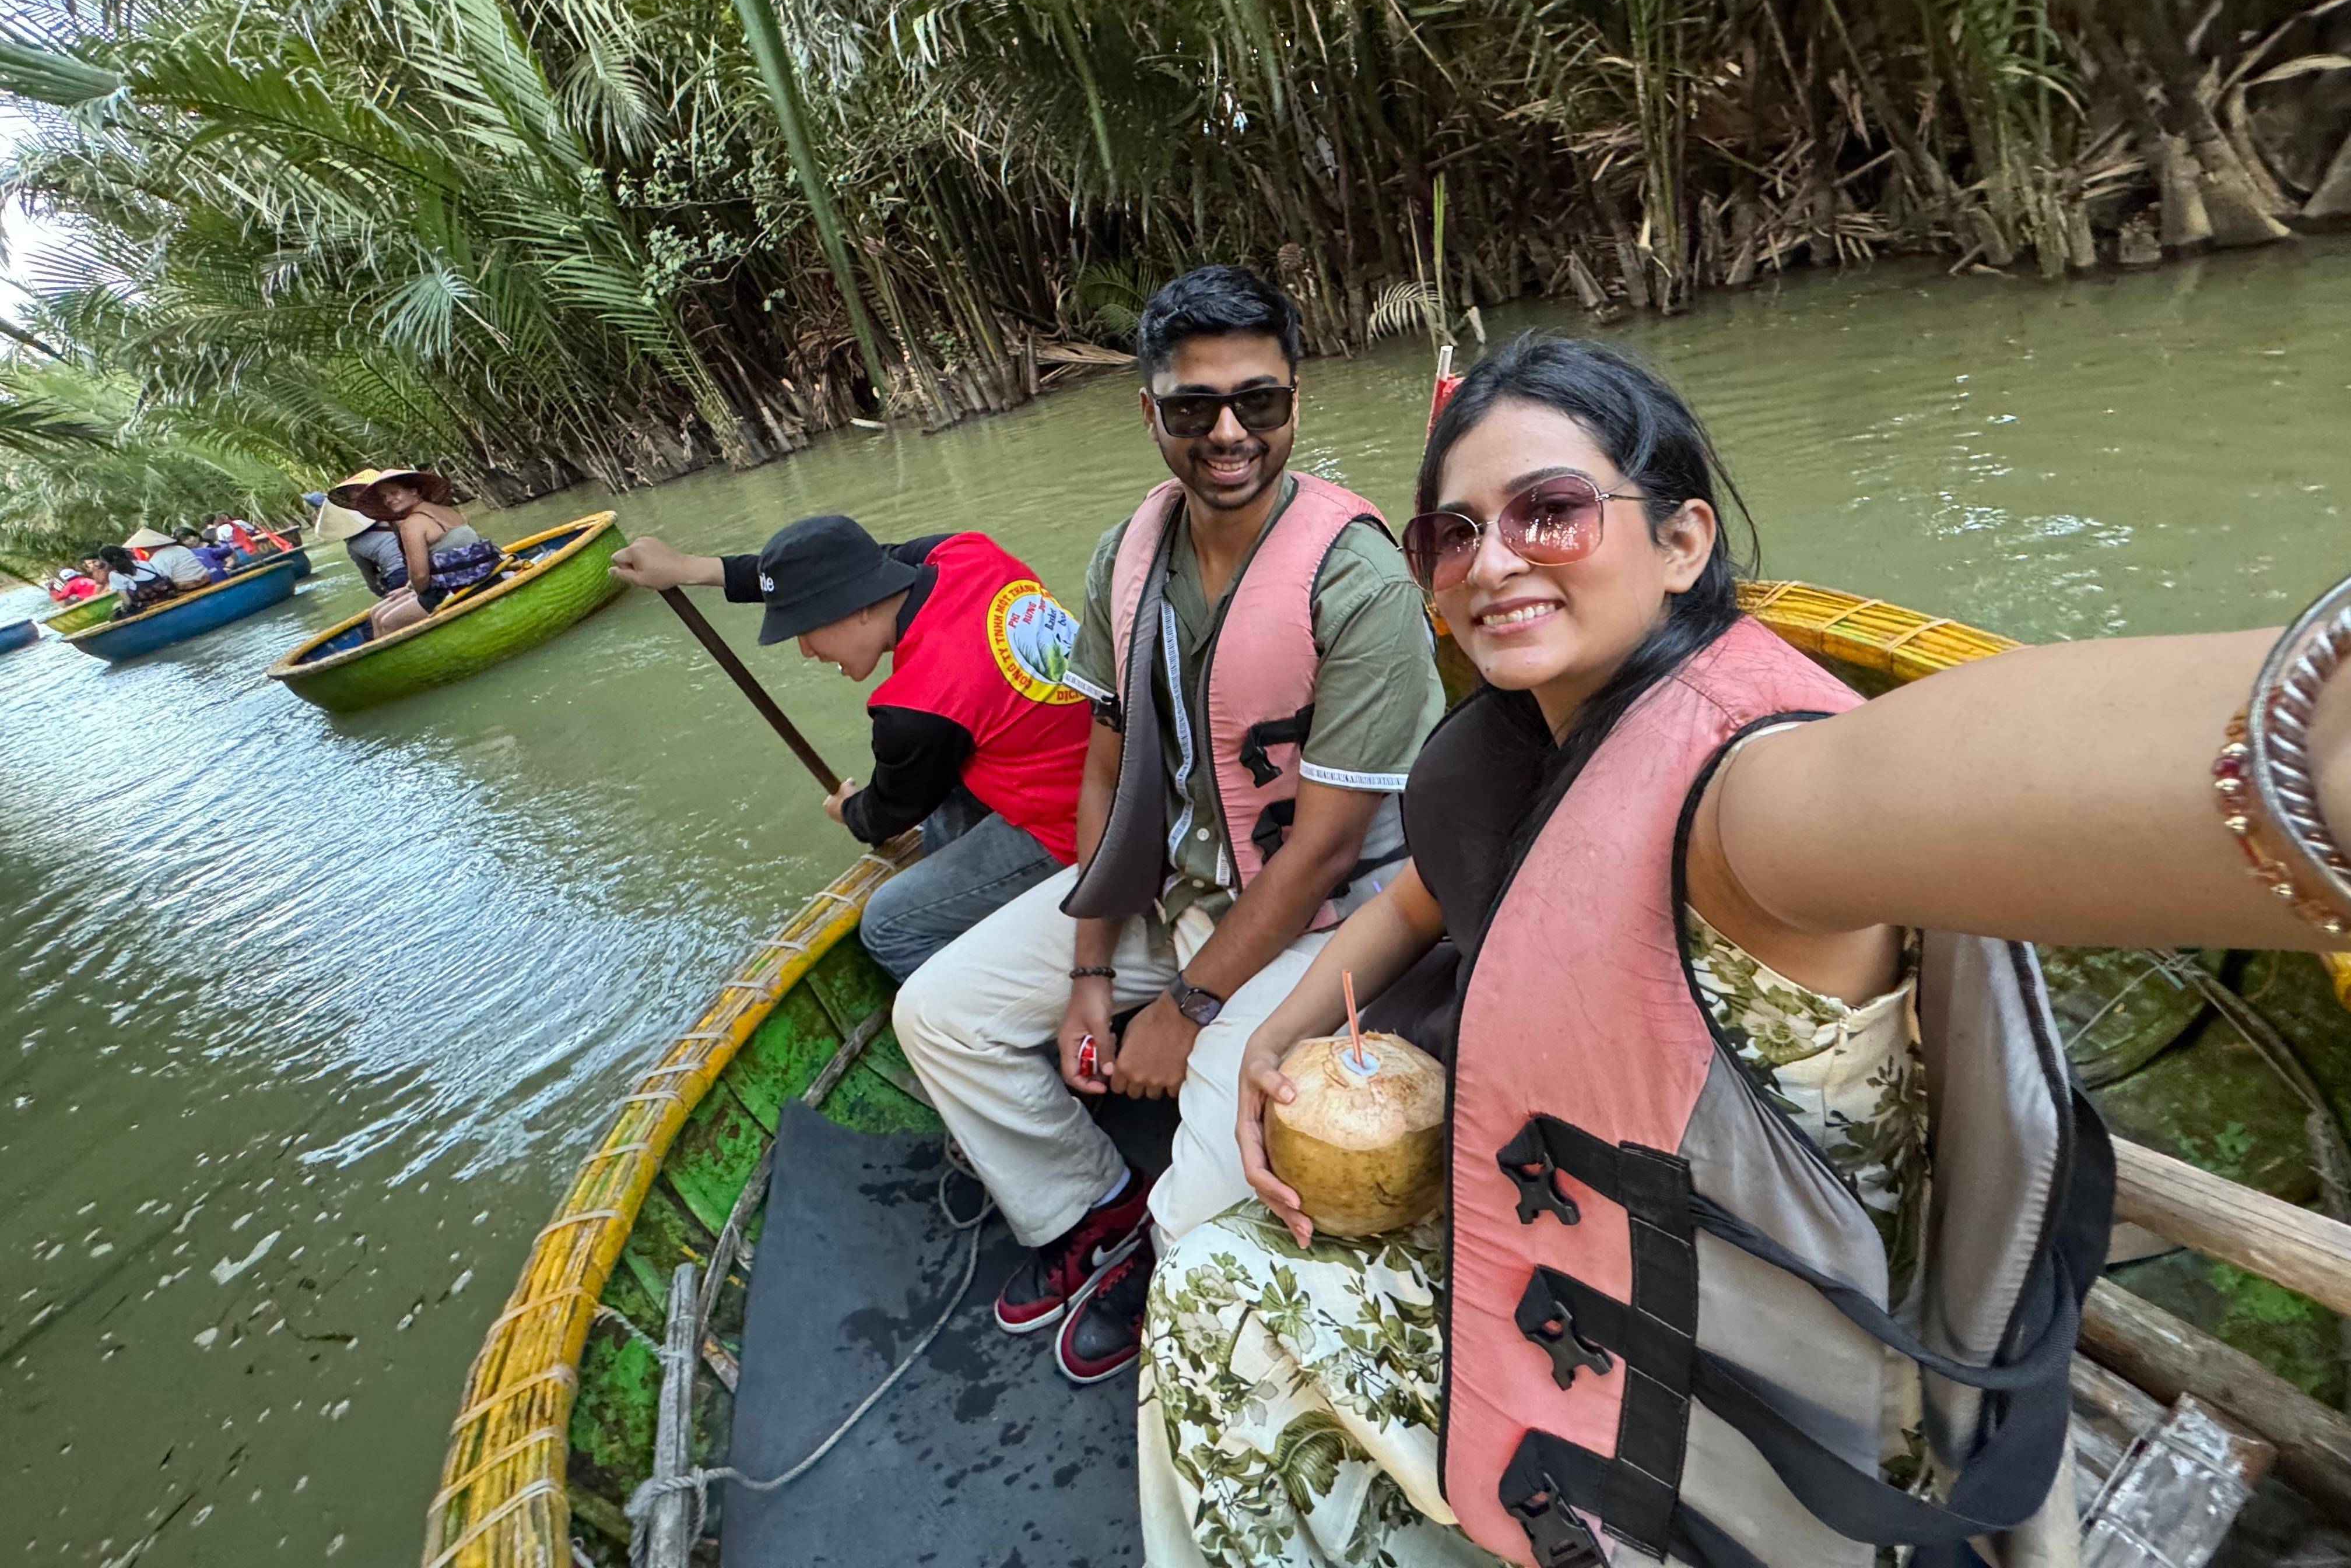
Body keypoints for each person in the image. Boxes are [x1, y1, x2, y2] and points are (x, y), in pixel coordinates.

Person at [1139, 333, 2351, 1568]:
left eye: (1550, 511)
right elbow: (1424, 899)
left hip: (1725, 1385)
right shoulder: (1530, 734)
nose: (1491, 560)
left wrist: (2318, 750)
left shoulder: (1747, 801)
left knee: (1208, 1291)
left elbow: (1947, 778)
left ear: (1681, 542)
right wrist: (1280, 1029)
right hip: (1599, 1254)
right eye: (1452, 534)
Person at [892, 264, 1447, 1386]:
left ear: (1295, 401)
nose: (1229, 432)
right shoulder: (1126, 555)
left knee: (1203, 1196)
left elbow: (1324, 850)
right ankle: (1089, 1204)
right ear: (1151, 413)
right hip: (1179, 887)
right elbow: (1105, 768)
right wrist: (1090, 967)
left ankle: (1163, 1242)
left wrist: (1185, 1012)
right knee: (937, 1011)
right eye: (1195, 406)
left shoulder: (1361, 583)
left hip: (1323, 920)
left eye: (1258, 400)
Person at [608, 516, 1092, 980]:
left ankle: (1025, 1016)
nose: (805, 650)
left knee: (888, 925)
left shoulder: (918, 705)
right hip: (1111, 763)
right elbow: (840, 564)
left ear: (859, 605)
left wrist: (850, 810)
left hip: (1077, 826)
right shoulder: (968, 554)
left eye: (805, 629)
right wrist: (689, 568)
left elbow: (886, 813)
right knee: (944, 791)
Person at [324, 470, 500, 638]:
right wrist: (408, 589)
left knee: (385, 621)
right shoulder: (448, 511)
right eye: (384, 497)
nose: (389, 500)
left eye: (395, 493)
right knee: (377, 612)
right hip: (477, 574)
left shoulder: (412, 524)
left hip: (458, 586)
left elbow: (420, 575)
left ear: (414, 491)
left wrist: (416, 593)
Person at [96, 543, 190, 615]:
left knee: (116, 610)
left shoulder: (115, 575)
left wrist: (123, 610)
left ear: (106, 562)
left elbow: (127, 602)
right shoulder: (142, 563)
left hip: (148, 605)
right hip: (169, 596)